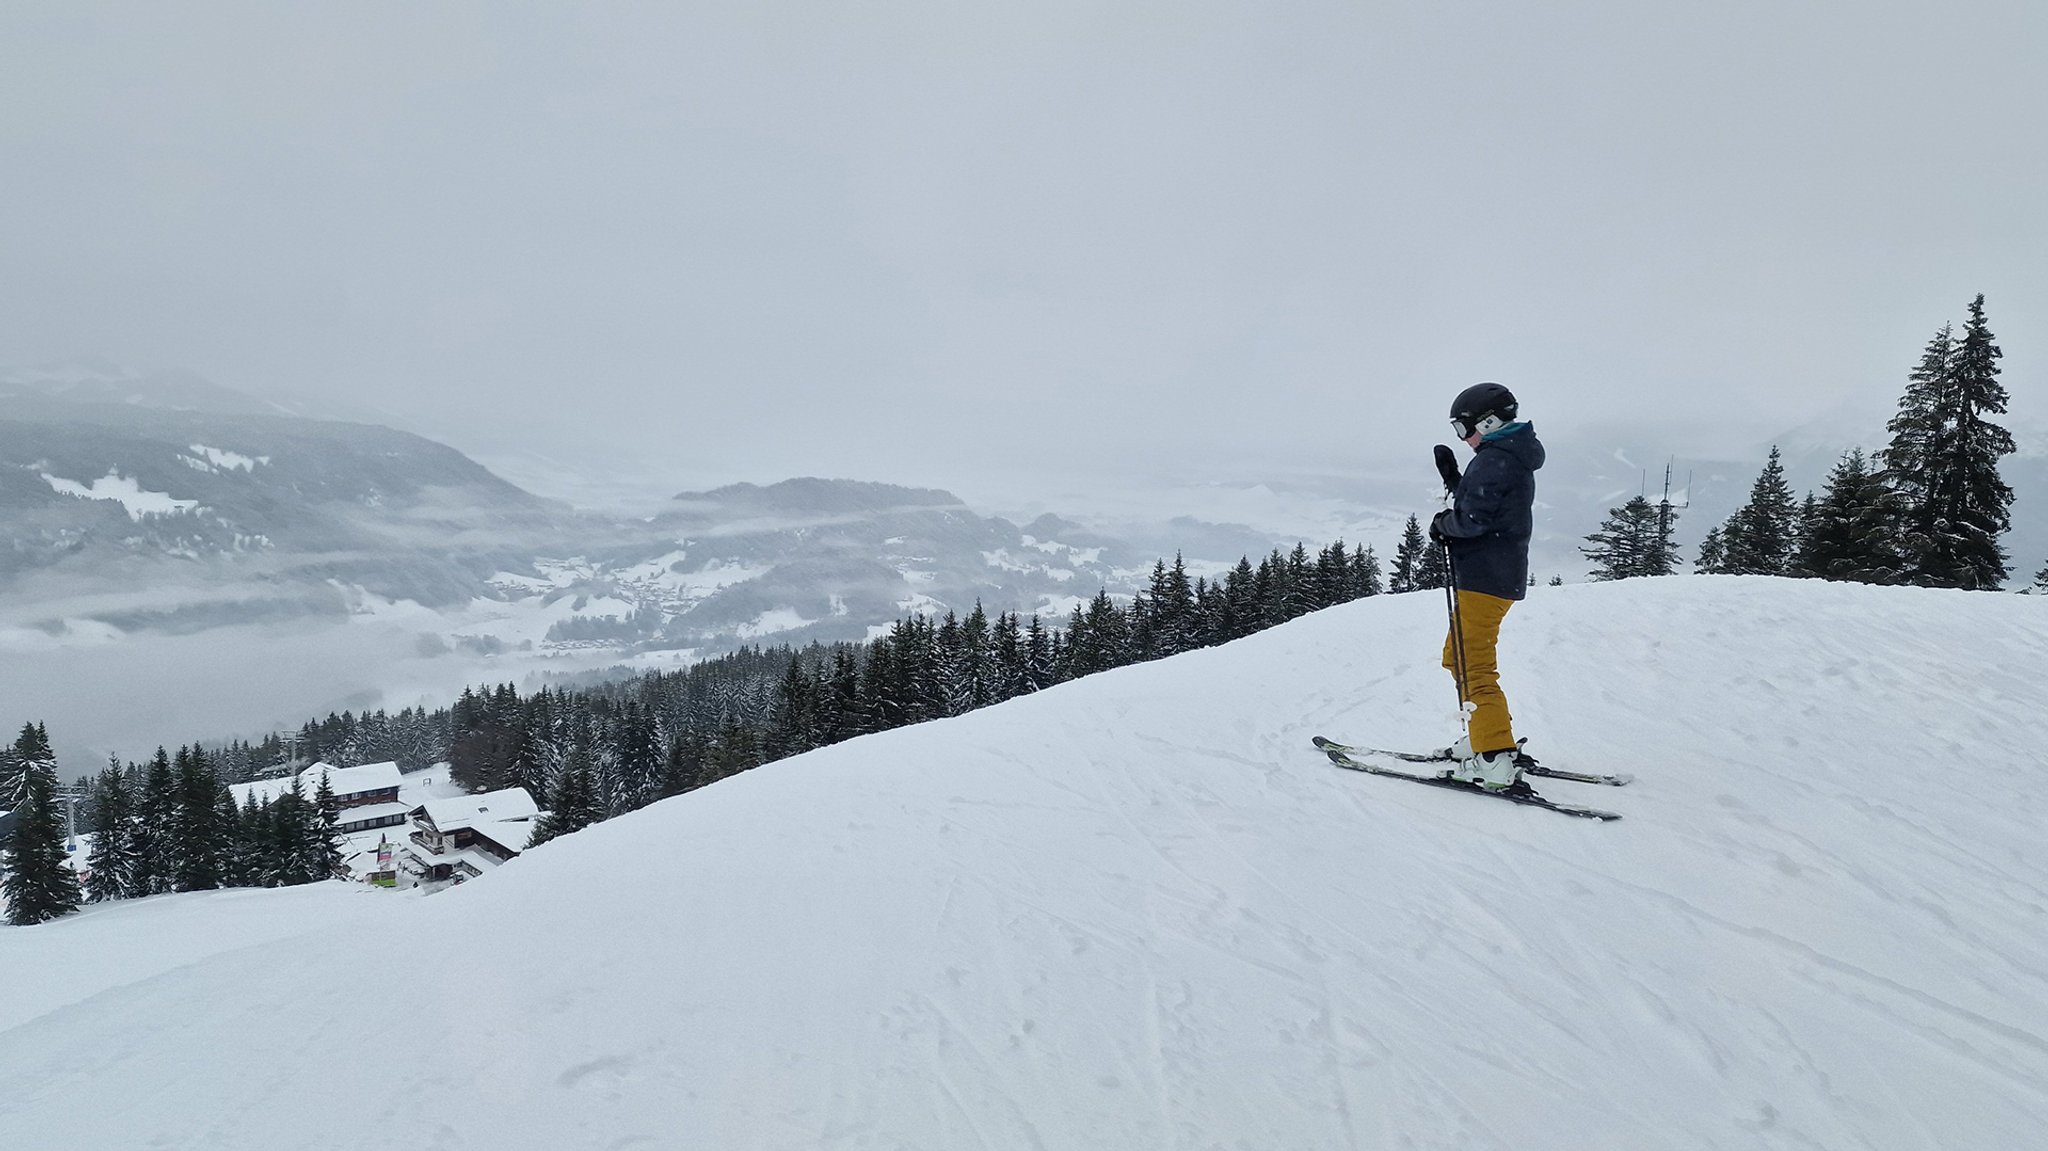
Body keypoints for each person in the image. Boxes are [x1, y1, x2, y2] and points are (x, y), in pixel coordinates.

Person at [1428, 382, 1544, 791]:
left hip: (1486, 579)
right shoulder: (1505, 457)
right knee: (1455, 657)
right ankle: (1483, 732)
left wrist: (1443, 524)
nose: (1464, 439)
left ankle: (1494, 756)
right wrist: (1457, 480)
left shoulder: (1497, 460)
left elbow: (1473, 521)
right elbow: (1484, 505)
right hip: (1492, 575)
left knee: (1473, 665)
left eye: (1464, 429)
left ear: (1488, 422)